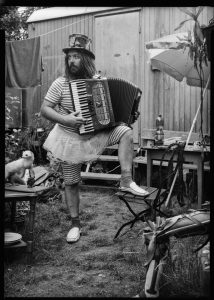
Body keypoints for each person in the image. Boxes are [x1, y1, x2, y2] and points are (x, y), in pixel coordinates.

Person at [41, 33, 149, 244]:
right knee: (72, 182)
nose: (72, 60)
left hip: (94, 135)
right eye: (70, 56)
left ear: (86, 60)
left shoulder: (99, 82)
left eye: (77, 56)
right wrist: (66, 119)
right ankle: (75, 224)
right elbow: (44, 109)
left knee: (125, 132)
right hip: (69, 138)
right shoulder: (60, 83)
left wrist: (127, 114)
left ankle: (126, 180)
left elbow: (110, 114)